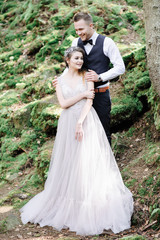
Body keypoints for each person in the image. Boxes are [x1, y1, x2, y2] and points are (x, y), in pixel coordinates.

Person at [20, 46, 133, 236]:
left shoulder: (87, 75)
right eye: (76, 59)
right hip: (66, 123)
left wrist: (80, 122)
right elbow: (63, 104)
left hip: (86, 120)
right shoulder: (60, 80)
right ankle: (67, 204)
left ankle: (89, 205)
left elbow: (90, 102)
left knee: (87, 161)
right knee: (70, 161)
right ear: (67, 60)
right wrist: (81, 95)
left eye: (81, 58)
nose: (79, 61)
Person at [53, 12, 125, 145]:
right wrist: (61, 80)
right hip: (81, 97)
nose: (78, 33)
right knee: (83, 134)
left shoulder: (107, 42)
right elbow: (71, 65)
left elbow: (120, 67)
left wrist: (100, 77)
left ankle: (105, 165)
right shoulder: (76, 42)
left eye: (81, 29)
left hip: (100, 95)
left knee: (103, 132)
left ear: (91, 26)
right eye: (76, 30)